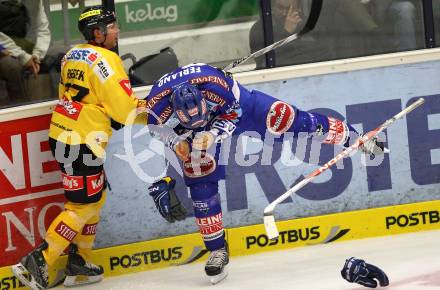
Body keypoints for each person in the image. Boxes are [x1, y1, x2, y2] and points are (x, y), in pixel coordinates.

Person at [143, 63, 386, 283]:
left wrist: (212, 134)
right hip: (188, 129)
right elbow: (155, 129)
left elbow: (235, 113)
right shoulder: (156, 107)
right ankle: (217, 249)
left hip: (238, 108)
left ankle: (356, 138)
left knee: (292, 120)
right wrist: (176, 142)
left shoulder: (216, 87)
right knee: (200, 177)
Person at [10, 6, 179, 290]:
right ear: (98, 33)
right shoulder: (108, 60)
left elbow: (85, 98)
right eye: (113, 27)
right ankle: (39, 260)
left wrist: (117, 114)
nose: (117, 31)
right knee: (82, 204)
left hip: (64, 134)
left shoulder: (71, 55)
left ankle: (80, 263)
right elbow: (123, 111)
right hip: (83, 141)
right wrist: (150, 111)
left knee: (94, 199)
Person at [249, 0, 379, 68]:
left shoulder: (308, 24)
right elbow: (263, 60)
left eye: (289, 9)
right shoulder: (260, 29)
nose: (284, 13)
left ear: (298, 8)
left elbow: (325, 51)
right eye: (280, 8)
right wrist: (286, 32)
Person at [0, 0, 52, 104]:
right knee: (12, 66)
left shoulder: (35, 2)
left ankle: (46, 107)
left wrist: (37, 55)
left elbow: (42, 29)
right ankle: (19, 108)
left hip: (21, 44)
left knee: (52, 62)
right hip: (4, 49)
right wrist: (22, 56)